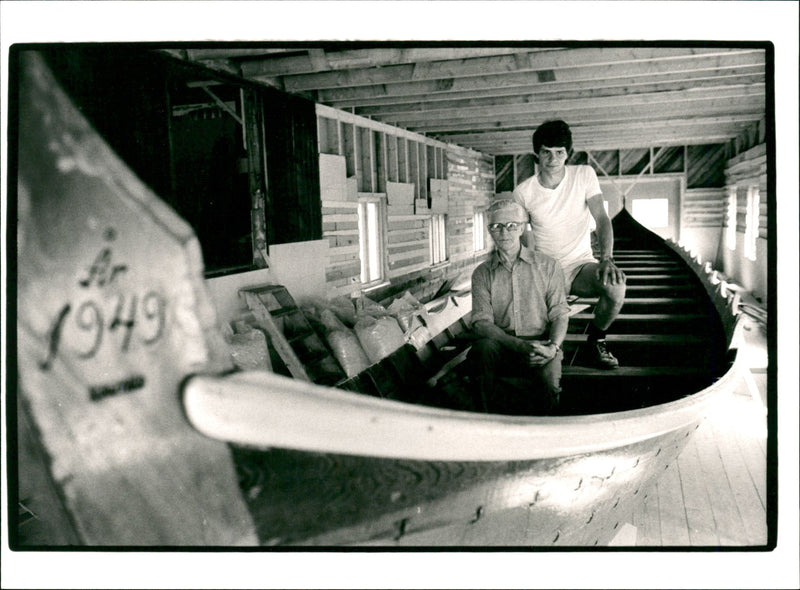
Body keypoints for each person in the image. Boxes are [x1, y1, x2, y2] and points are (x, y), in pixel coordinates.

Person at [513, 120, 625, 369]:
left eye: (559, 152)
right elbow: (526, 240)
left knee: (617, 288)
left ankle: (596, 341)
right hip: (544, 271)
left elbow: (602, 218)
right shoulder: (523, 192)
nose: (553, 159)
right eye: (546, 152)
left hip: (580, 266)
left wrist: (607, 258)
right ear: (537, 154)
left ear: (568, 154)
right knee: (536, 339)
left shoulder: (584, 175)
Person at [468, 199, 570, 414]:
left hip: (541, 343)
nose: (504, 232)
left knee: (549, 387)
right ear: (489, 230)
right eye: (496, 226)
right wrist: (516, 345)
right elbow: (481, 323)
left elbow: (560, 313)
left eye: (512, 225)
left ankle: (546, 436)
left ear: (522, 227)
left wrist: (552, 348)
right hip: (501, 343)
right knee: (481, 352)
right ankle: (487, 425)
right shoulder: (482, 273)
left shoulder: (548, 265)